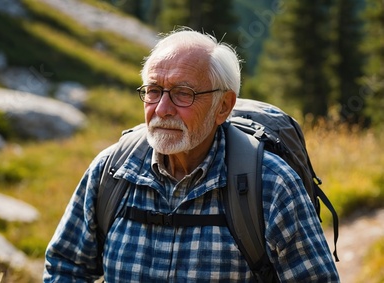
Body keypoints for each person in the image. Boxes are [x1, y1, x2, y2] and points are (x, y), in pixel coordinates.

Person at [43, 28, 340, 282]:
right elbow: (66, 266)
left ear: (223, 106)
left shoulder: (272, 184)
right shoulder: (111, 171)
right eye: (153, 91)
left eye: (183, 93)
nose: (161, 109)